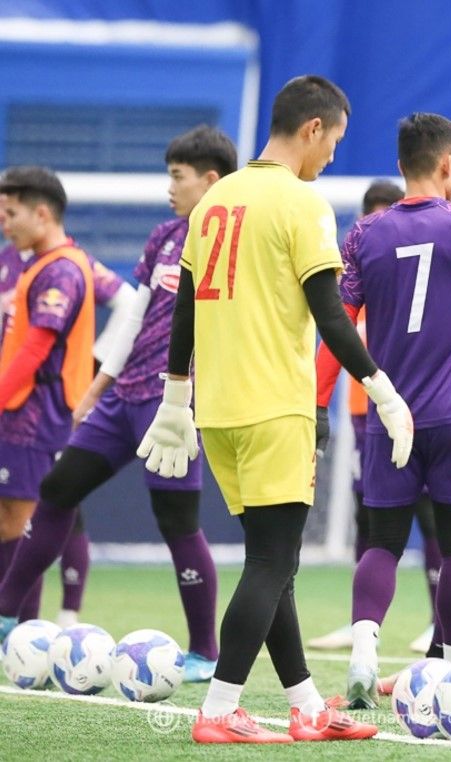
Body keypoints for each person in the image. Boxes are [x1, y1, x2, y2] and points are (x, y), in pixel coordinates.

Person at [136, 75, 397, 744]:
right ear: (312, 128)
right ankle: (221, 711)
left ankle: (306, 704)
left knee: (268, 559)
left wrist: (174, 395)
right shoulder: (301, 202)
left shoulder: (216, 197)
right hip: (277, 406)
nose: (332, 155)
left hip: (217, 410)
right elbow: (331, 313)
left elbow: (186, 304)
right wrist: (383, 388)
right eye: (333, 140)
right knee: (272, 564)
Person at [0, 127, 236, 683]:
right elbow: (135, 312)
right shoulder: (162, 236)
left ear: (210, 180)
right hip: (123, 395)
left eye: (177, 176)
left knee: (176, 520)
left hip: (174, 404)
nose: (169, 187)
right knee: (58, 491)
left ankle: (206, 652)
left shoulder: (233, 242)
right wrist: (101, 382)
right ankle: (7, 614)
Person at [313, 112, 451, 710]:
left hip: (388, 414)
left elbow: (337, 327)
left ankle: (363, 654)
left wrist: (318, 403)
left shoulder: (365, 234)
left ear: (400, 165)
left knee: (382, 543)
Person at [306, 179, 446, 654]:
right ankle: (360, 621)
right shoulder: (356, 275)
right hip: (365, 418)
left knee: (430, 519)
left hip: (416, 412)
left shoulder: (420, 278)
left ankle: (437, 619)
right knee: (367, 518)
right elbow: (336, 340)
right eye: (371, 216)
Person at [0, 167, 97, 629]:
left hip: (35, 415)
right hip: (19, 410)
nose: (4, 222)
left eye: (10, 212)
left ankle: (24, 632)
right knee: (9, 520)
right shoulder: (37, 263)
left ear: (41, 213)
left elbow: (38, 347)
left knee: (20, 522)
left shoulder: (61, 268)